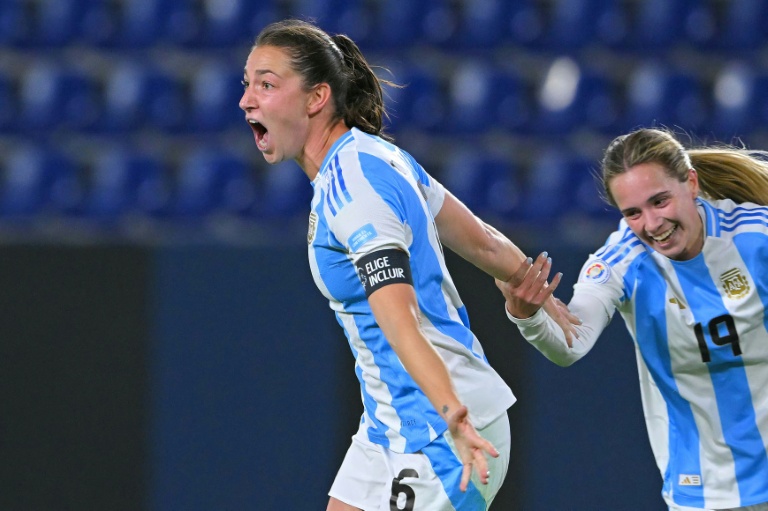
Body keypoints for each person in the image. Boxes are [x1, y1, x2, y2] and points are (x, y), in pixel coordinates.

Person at [239, 18, 576, 511]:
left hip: (443, 429)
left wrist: (453, 415)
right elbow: (481, 242)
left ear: (316, 98)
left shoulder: (354, 187)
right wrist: (528, 278)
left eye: (267, 85)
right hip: (388, 423)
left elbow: (401, 318)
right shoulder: (375, 156)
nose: (248, 99)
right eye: (246, 84)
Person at [496, 127, 768, 511]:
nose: (653, 224)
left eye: (660, 201)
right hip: (706, 489)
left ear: (690, 183)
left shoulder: (757, 237)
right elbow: (571, 343)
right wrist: (528, 317)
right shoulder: (621, 264)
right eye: (634, 213)